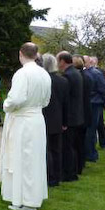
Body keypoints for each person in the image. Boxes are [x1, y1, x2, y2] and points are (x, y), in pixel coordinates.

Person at [0, 42, 52, 210]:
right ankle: (31, 198)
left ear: (20, 53)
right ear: (36, 55)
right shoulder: (44, 74)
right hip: (37, 120)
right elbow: (46, 101)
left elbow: (16, 99)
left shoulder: (22, 74)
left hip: (23, 121)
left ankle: (21, 199)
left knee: (20, 159)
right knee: (34, 160)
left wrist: (6, 105)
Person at [42, 53, 69, 187]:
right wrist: (65, 121)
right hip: (57, 118)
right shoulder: (63, 81)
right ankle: (56, 177)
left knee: (46, 150)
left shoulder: (42, 80)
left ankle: (48, 176)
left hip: (44, 118)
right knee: (56, 149)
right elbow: (66, 104)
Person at [57, 51, 83, 182]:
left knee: (67, 146)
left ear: (62, 61)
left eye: (58, 60)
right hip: (77, 114)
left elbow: (66, 99)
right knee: (72, 146)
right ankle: (73, 171)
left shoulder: (68, 75)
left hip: (70, 116)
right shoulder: (76, 73)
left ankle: (69, 173)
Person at [83, 56, 105, 162]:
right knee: (90, 129)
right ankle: (89, 153)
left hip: (93, 103)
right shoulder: (93, 73)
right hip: (93, 103)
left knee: (90, 129)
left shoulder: (94, 74)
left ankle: (89, 153)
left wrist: (104, 102)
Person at [73, 56, 92, 172]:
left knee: (76, 141)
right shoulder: (87, 76)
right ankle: (81, 163)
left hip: (79, 112)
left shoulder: (77, 77)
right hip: (86, 111)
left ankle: (77, 165)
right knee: (82, 139)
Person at [93, 57, 105, 149]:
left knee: (99, 123)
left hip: (98, 100)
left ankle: (103, 142)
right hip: (95, 101)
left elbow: (104, 87)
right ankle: (95, 142)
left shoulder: (101, 72)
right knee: (96, 123)